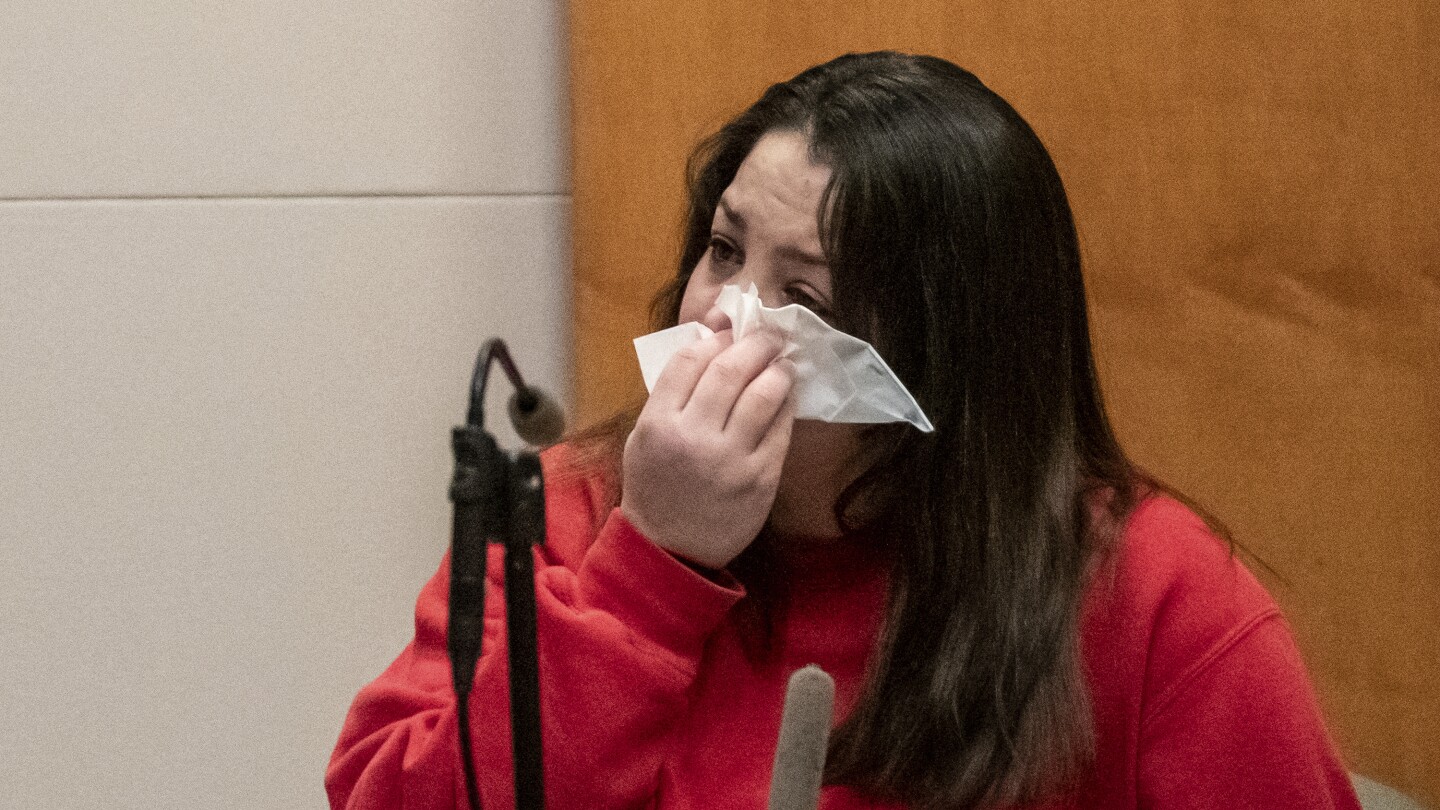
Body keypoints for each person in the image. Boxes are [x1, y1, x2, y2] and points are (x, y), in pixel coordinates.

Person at [327, 52, 1361, 809]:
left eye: (804, 296)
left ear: (940, 359)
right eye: (723, 250)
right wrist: (649, 570)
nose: (722, 317)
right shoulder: (568, 511)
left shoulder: (1154, 596)